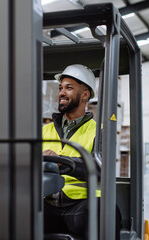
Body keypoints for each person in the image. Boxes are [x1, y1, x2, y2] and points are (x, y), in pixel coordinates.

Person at [42, 64, 121, 239]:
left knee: (106, 210)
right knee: (5, 207)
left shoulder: (99, 131)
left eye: (69, 88)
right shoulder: (44, 131)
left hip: (81, 205)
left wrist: (61, 160)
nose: (62, 92)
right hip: (47, 203)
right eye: (61, 88)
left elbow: (101, 168)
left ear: (85, 95)